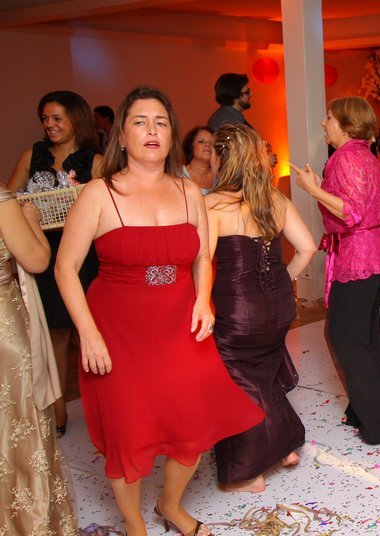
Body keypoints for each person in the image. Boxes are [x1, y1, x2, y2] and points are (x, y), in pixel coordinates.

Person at [55, 86, 264, 536]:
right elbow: (65, 268)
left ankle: (170, 505)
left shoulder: (190, 191)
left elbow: (202, 256)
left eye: (161, 122)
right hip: (117, 332)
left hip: (179, 326)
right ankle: (135, 524)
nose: (152, 130)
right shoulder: (99, 193)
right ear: (122, 136)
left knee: (190, 426)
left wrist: (203, 299)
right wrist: (88, 334)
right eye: (140, 121)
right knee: (128, 436)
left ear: (171, 135)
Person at [206, 124, 317, 493]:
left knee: (237, 384)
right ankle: (285, 448)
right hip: (279, 304)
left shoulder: (212, 205)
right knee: (265, 375)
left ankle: (249, 472)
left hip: (239, 310)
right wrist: (283, 279)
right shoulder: (273, 199)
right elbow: (307, 247)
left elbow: (201, 262)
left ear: (221, 158)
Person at [292, 96, 380, 445]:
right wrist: (320, 188)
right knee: (363, 334)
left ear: (347, 124)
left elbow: (350, 212)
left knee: (345, 336)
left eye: (329, 117)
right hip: (373, 251)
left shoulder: (345, 157)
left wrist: (313, 190)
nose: (324, 123)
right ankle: (366, 409)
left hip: (359, 255)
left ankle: (376, 419)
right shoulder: (363, 154)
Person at [8, 90, 103, 436]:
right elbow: (9, 200)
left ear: (76, 119)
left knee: (90, 329)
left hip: (85, 254)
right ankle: (59, 412)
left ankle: (102, 408)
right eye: (45, 118)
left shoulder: (95, 161)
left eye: (57, 118)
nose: (50, 124)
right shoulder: (31, 156)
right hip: (44, 252)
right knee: (55, 333)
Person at [0, 186, 78, 534]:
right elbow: (36, 260)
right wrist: (30, 219)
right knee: (17, 420)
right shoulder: (2, 201)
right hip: (4, 330)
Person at [181, 126, 216, 194]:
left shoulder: (220, 178)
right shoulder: (177, 176)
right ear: (191, 146)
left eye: (211, 143)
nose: (207, 145)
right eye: (201, 141)